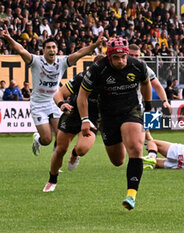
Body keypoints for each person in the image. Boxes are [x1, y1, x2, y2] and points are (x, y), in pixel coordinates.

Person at [1, 25, 106, 156]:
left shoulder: (61, 62)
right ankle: (38, 139)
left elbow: (80, 53)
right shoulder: (36, 61)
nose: (51, 50)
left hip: (55, 102)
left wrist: (95, 45)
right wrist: (9, 38)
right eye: (48, 47)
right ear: (43, 50)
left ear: (57, 50)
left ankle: (55, 161)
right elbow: (21, 50)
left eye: (54, 47)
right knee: (46, 139)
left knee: (60, 135)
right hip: (38, 104)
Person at [77, 37, 152, 211]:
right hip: (108, 116)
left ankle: (131, 195)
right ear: (109, 57)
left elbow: (146, 84)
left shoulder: (137, 66)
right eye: (117, 58)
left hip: (131, 111)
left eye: (123, 57)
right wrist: (85, 120)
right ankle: (125, 140)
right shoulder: (97, 69)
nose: (121, 61)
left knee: (136, 148)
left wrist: (148, 109)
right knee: (118, 161)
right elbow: (82, 95)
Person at [43, 55, 105, 192]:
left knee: (83, 149)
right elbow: (58, 94)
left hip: (91, 118)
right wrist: (62, 104)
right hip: (73, 114)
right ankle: (52, 180)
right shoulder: (81, 77)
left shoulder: (110, 81)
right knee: (60, 150)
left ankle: (75, 153)